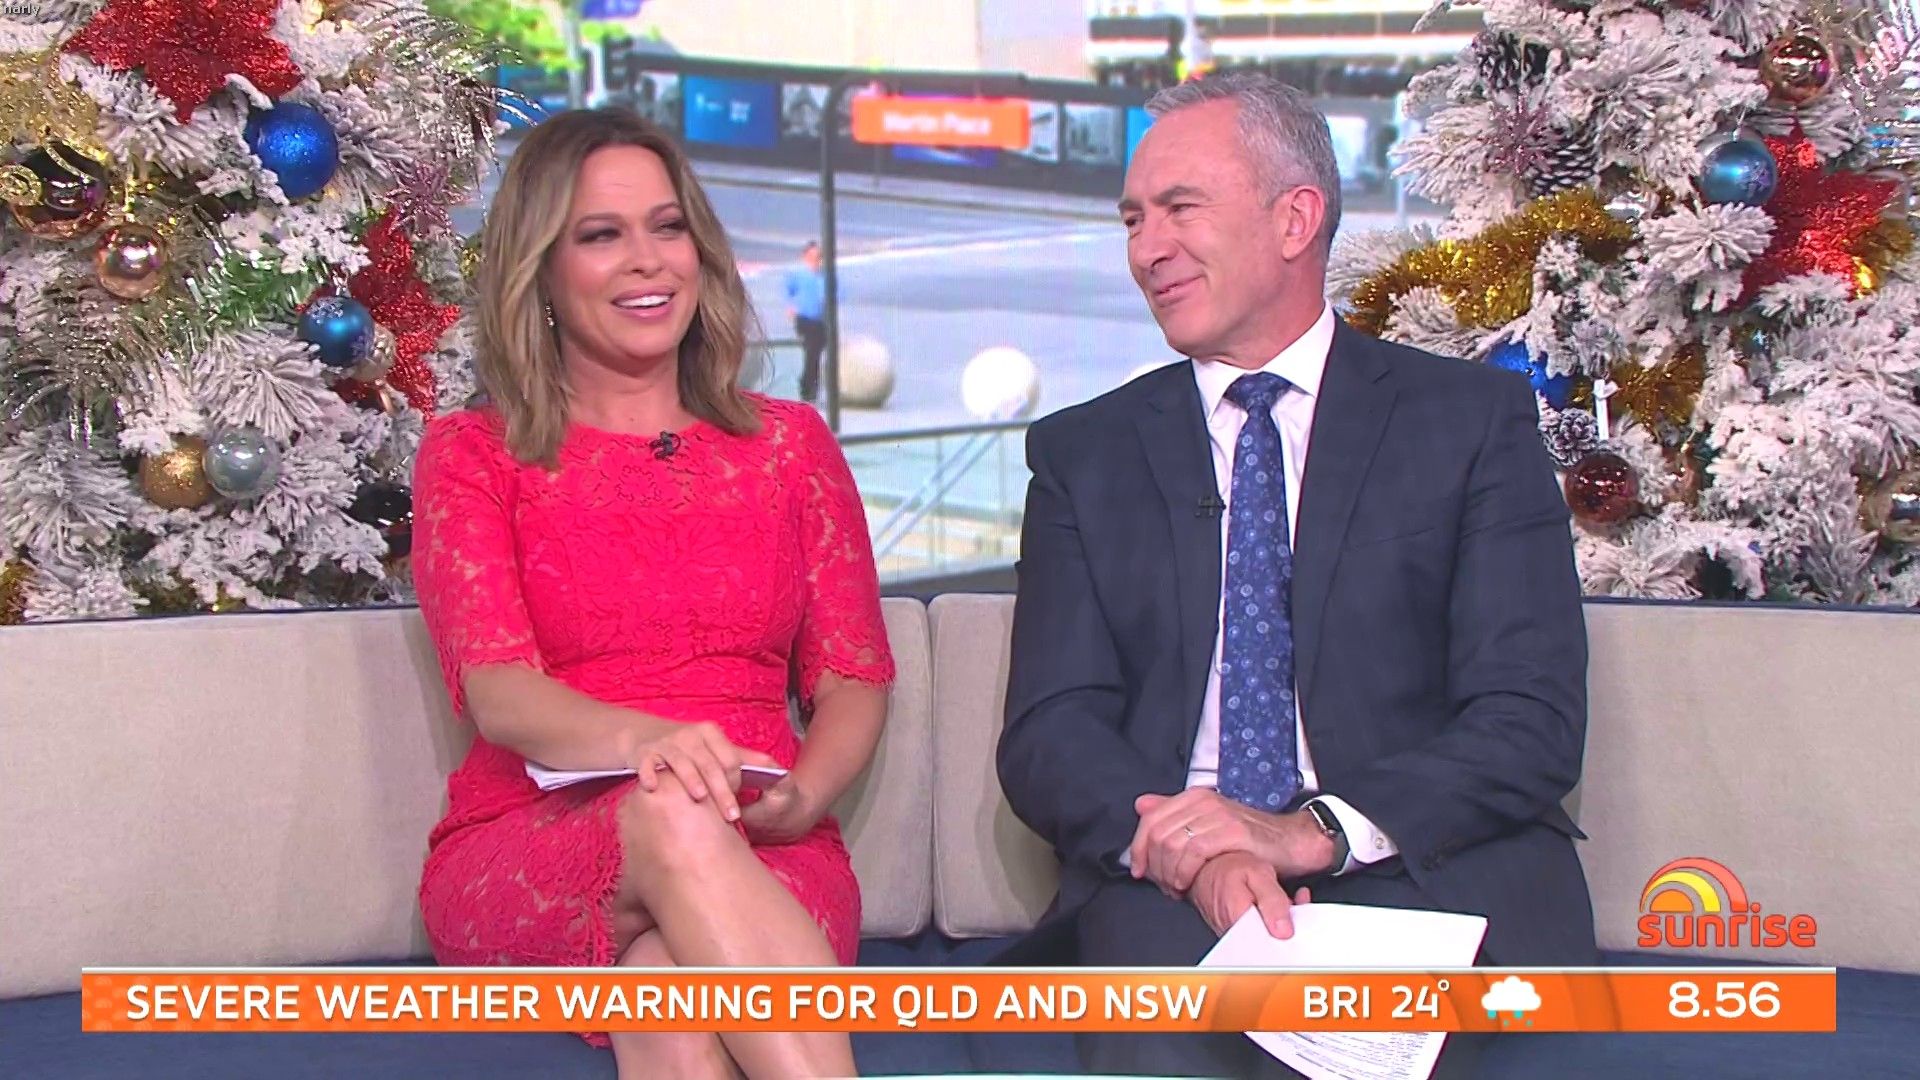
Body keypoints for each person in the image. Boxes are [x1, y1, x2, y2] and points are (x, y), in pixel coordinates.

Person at [996, 72, 1596, 1078]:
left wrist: (1313, 833)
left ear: (1295, 218)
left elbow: (1528, 718)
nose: (1147, 250)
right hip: (1176, 887)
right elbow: (1052, 732)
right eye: (1134, 219)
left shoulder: (1468, 424)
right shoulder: (1083, 455)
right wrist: (1200, 852)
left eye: (1181, 208)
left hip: (1424, 866)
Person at [411, 108, 895, 1080]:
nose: (647, 260)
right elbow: (500, 692)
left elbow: (853, 677)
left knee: (664, 997)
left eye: (667, 227)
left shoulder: (790, 447)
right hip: (538, 840)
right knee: (672, 812)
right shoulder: (475, 456)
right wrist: (651, 747)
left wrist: (806, 793)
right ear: (542, 273)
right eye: (602, 234)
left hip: (764, 844)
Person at [784, 241, 827, 402]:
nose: (815, 261)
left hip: (821, 320)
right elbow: (788, 291)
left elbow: (835, 295)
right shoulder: (798, 275)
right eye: (812, 257)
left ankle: (811, 388)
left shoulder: (824, 276)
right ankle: (807, 387)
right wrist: (790, 307)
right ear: (805, 257)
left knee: (815, 355)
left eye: (818, 257)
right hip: (804, 319)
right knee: (811, 351)